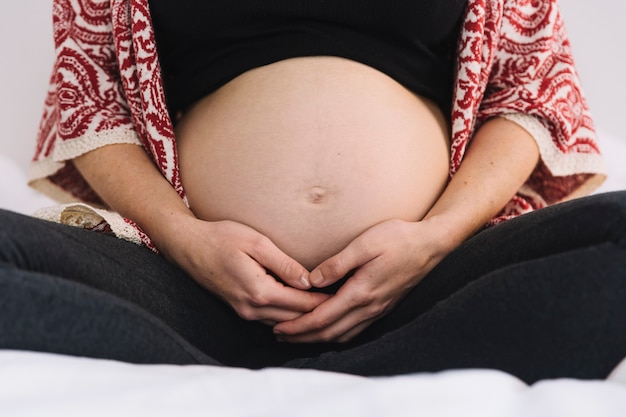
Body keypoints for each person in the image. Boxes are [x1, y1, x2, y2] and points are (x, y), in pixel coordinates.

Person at [1, 0, 625, 384]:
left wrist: (433, 240)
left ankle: (355, 365)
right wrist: (186, 238)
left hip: (426, 282)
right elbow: (93, 103)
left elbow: (530, 92)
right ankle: (227, 351)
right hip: (188, 281)